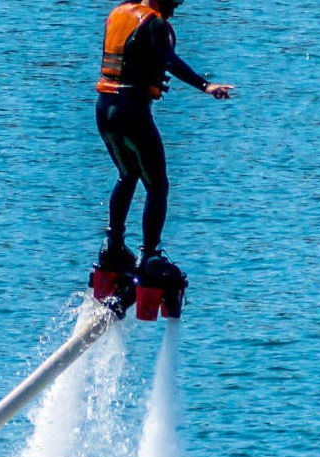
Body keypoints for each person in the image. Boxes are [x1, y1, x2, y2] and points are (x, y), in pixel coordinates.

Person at [94, 0, 232, 285]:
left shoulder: (119, 14)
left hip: (104, 109)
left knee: (127, 175)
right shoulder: (154, 23)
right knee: (157, 185)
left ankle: (113, 248)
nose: (177, 7)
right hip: (132, 111)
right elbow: (169, 60)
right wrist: (206, 86)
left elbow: (132, 58)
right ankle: (150, 258)